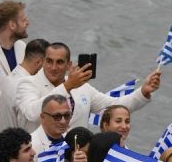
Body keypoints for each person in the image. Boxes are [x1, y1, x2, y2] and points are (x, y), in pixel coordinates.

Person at [16, 42, 161, 132]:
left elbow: (114, 107)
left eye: (59, 62)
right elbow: (31, 113)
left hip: (77, 159)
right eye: (49, 61)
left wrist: (143, 91)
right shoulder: (28, 84)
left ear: (69, 65)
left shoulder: (82, 87)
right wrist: (67, 87)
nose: (53, 67)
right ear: (43, 63)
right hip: (42, 157)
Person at [31, 95, 88, 162]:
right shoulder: (32, 146)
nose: (63, 121)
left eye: (67, 115)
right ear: (42, 117)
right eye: (57, 116)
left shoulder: (71, 140)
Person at [0, 39, 49, 131]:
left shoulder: (11, 78)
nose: (50, 67)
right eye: (48, 61)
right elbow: (29, 124)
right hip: (20, 141)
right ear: (39, 62)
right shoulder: (24, 85)